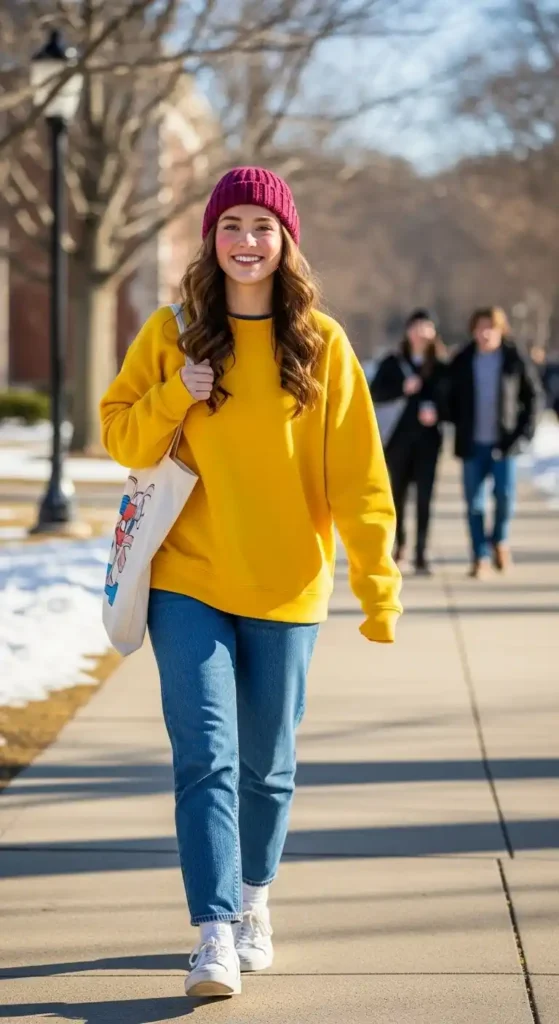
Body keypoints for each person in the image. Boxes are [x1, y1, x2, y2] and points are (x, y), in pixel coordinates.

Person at [100, 167, 402, 1001]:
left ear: (285, 242)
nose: (244, 240)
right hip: (187, 581)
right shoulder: (174, 332)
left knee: (268, 766)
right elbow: (120, 436)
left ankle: (254, 905)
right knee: (206, 758)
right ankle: (212, 931)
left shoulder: (323, 344)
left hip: (287, 585)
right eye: (229, 224)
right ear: (210, 237)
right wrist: (173, 393)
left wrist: (378, 586)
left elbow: (360, 478)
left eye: (261, 227)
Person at [448, 305, 541, 578]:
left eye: (491, 328)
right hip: (472, 444)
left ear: (501, 330)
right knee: (474, 504)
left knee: (505, 497)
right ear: (474, 331)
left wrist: (524, 434)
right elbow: (447, 394)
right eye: (480, 328)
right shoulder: (463, 360)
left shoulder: (513, 359)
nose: (486, 333)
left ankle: (499, 540)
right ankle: (480, 556)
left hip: (505, 444)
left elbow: (533, 397)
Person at [370, 309, 447, 575]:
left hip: (428, 442)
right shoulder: (392, 362)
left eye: (426, 328)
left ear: (434, 333)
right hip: (397, 440)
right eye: (416, 327)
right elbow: (375, 392)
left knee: (425, 498)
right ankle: (400, 546)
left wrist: (437, 411)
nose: (421, 333)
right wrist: (402, 389)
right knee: (397, 497)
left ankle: (422, 552)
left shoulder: (440, 365)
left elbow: (454, 400)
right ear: (407, 331)